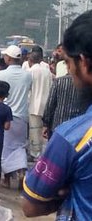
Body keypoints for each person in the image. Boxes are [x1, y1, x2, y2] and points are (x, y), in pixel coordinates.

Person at [22, 11, 92, 220]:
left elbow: (30, 206)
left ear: (84, 63)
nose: (69, 71)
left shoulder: (72, 138)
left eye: (69, 64)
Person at [0, 45, 32, 188]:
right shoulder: (27, 75)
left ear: (8, 58)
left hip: (4, 115)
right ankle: (22, 172)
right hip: (21, 116)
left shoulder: (1, 75)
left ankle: (7, 179)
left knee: (5, 148)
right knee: (20, 147)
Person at [42, 74, 92, 139]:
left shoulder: (58, 81)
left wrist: (46, 124)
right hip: (77, 129)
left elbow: (50, 105)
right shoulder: (85, 83)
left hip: (58, 128)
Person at [27, 50, 53, 159]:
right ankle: (45, 153)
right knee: (44, 131)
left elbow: (28, 89)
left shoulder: (30, 72)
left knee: (34, 131)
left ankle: (35, 153)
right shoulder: (47, 72)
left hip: (33, 105)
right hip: (46, 104)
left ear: (30, 60)